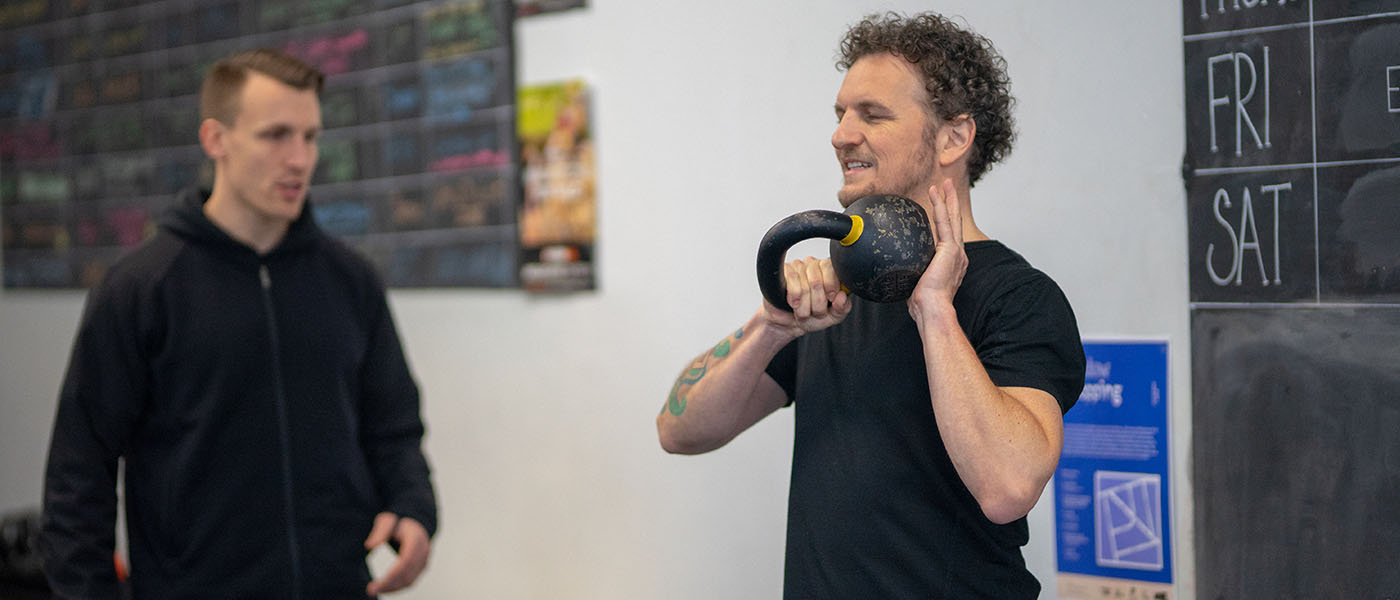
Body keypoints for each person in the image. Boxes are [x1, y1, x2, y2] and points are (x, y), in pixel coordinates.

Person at [656, 12, 1085, 598]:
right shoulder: (840, 291)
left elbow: (1008, 487)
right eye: (840, 114)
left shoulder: (1019, 297)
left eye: (873, 115)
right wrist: (771, 326)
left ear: (954, 138)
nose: (841, 135)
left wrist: (935, 310)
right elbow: (679, 430)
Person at [40, 49, 438, 599]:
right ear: (215, 139)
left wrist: (412, 506)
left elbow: (393, 426)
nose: (299, 159)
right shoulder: (141, 290)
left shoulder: (351, 281)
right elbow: (79, 475)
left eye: (310, 137)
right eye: (275, 135)